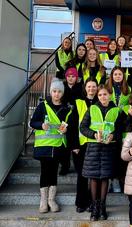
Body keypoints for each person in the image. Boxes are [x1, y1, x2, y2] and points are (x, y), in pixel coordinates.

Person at [80, 84, 123, 221]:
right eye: (100, 95)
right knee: (93, 178)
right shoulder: (92, 108)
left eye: (105, 94)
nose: (102, 97)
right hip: (93, 147)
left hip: (109, 148)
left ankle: (103, 207)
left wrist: (114, 136)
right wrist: (93, 134)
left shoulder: (117, 110)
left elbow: (121, 128)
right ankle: (94, 208)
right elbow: (83, 127)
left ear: (110, 95)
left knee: (105, 178)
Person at [30, 78, 73, 213]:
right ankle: (43, 201)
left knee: (54, 171)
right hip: (44, 146)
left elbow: (69, 124)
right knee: (45, 171)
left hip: (58, 145)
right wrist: (41, 125)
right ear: (50, 92)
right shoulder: (43, 106)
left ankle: (51, 199)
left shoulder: (66, 108)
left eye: (59, 91)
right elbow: (33, 122)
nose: (56, 94)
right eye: (54, 91)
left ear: (62, 93)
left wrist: (66, 129)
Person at [71, 78, 98, 213]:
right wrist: (74, 145)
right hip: (80, 145)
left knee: (93, 176)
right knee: (82, 175)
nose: (91, 89)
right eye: (89, 86)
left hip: (96, 145)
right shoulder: (78, 103)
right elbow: (72, 126)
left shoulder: (101, 103)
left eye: (94, 86)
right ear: (85, 88)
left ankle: (92, 202)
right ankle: (81, 203)